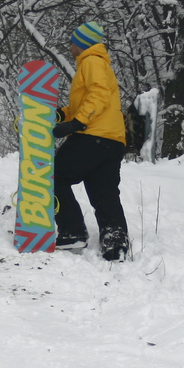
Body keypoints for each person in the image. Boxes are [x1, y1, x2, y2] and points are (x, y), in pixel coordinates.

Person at [51, 20, 130, 260]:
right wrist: (63, 115)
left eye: (73, 41)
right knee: (103, 191)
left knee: (52, 175)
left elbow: (98, 94)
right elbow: (89, 101)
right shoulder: (100, 63)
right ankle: (115, 245)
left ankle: (72, 231)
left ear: (82, 44)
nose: (70, 45)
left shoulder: (91, 61)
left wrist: (77, 123)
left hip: (92, 136)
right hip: (113, 140)